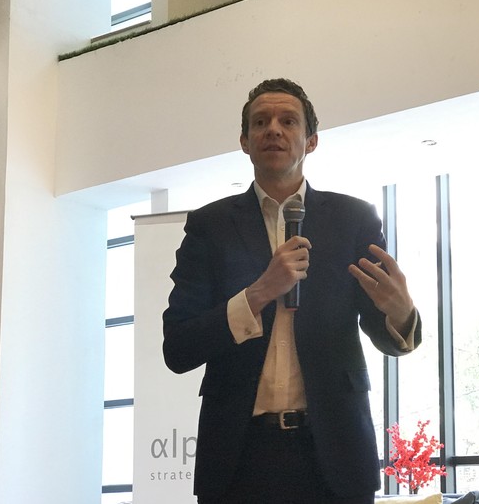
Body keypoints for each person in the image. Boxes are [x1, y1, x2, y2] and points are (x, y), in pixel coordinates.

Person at [162, 78, 422, 504]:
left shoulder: (353, 220)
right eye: (260, 122)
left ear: (311, 141)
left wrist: (401, 313)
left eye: (288, 121)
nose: (273, 130)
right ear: (244, 142)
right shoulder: (210, 227)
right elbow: (178, 348)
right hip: (238, 458)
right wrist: (258, 293)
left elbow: (387, 334)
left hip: (335, 456)